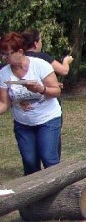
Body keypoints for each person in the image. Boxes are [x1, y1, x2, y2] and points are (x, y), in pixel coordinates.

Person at [0, 32, 63, 175]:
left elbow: (56, 91)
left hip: (47, 119)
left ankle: (61, 193)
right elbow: (4, 103)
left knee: (48, 157)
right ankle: (36, 195)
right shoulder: (3, 74)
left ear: (20, 52)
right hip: (23, 124)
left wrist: (40, 89)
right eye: (2, 54)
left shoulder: (40, 65)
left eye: (6, 54)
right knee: (29, 162)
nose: (3, 58)